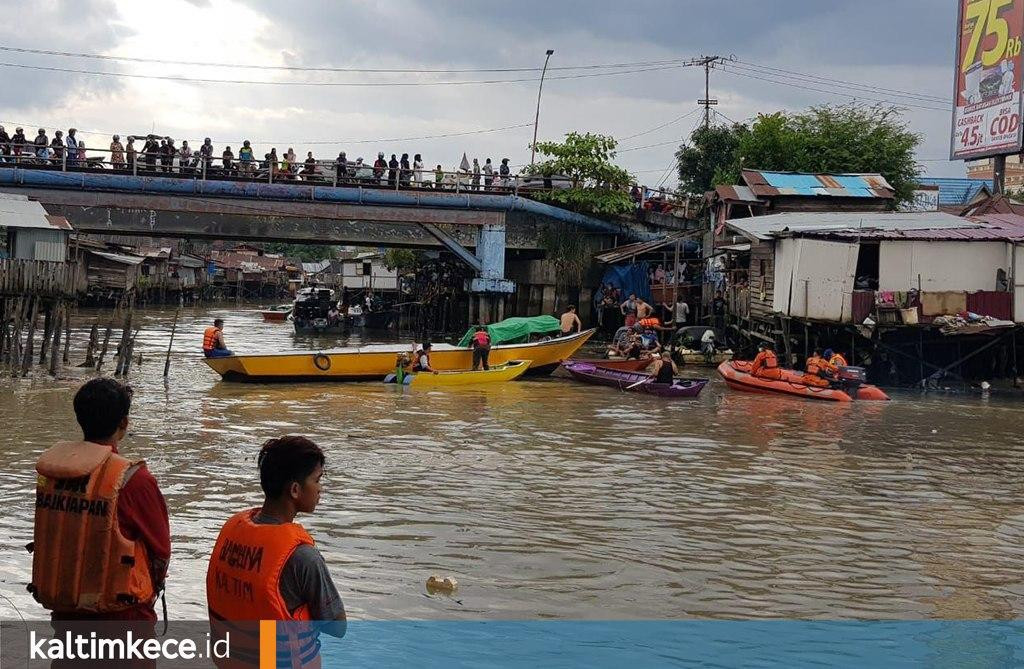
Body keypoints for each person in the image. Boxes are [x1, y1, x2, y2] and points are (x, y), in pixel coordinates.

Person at [31, 378, 169, 622]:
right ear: (124, 423)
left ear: (79, 418)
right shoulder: (133, 480)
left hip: (66, 609)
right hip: (123, 615)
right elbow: (161, 552)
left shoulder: (51, 474)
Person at [207, 436, 345, 669]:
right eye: (317, 480)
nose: (320, 489)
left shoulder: (232, 531)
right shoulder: (303, 556)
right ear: (294, 489)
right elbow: (337, 627)